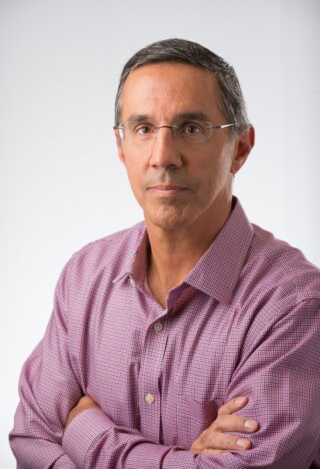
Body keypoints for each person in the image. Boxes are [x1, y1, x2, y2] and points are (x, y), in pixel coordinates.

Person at [10, 38, 320, 468]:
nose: (163, 156)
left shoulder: (293, 304)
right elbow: (30, 440)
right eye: (143, 129)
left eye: (191, 128)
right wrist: (181, 460)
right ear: (121, 147)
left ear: (241, 149)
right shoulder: (85, 277)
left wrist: (87, 432)